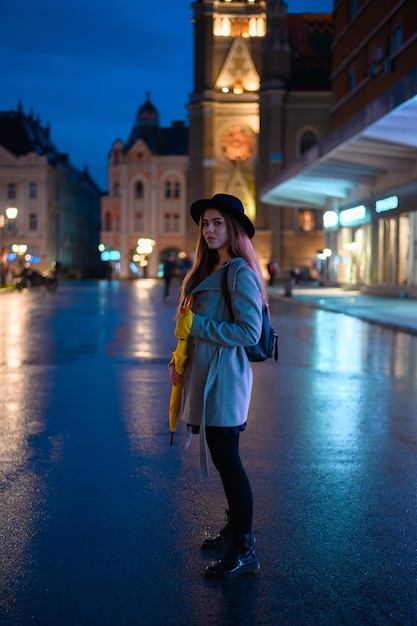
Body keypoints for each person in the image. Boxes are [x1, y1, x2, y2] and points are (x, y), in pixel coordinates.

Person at [168, 193, 267, 580]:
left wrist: (199, 327)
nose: (209, 230)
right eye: (205, 224)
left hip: (225, 382)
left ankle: (245, 550)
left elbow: (248, 331)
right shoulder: (210, 270)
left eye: (217, 223)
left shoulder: (240, 272)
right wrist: (179, 361)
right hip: (206, 378)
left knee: (230, 464)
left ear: (233, 228)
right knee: (226, 462)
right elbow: (189, 330)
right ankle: (234, 531)